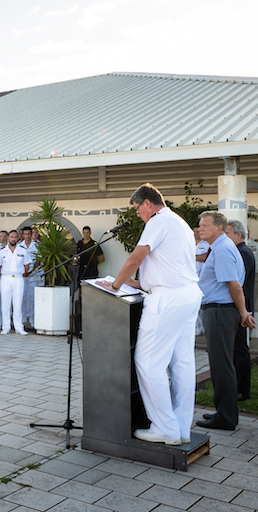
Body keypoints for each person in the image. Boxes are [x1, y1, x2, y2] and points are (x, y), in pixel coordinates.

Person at [99, 184, 204, 445]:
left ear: (147, 203)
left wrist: (114, 285)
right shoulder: (179, 221)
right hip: (188, 294)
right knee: (182, 364)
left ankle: (164, 429)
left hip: (167, 299)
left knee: (148, 362)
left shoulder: (157, 221)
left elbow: (136, 258)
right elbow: (169, 263)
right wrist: (139, 283)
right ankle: (180, 428)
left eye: (136, 209)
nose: (137, 214)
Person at [194, 211, 255, 431]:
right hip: (219, 310)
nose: (200, 228)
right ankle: (224, 412)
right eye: (199, 225)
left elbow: (235, 286)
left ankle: (226, 418)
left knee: (222, 366)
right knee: (222, 365)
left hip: (220, 311)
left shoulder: (221, 249)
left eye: (204, 225)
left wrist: (244, 313)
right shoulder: (221, 247)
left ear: (219, 228)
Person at [226, 219, 254, 401]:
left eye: (227, 233)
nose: (225, 236)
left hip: (240, 306)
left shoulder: (242, 252)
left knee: (240, 349)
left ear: (238, 234)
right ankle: (239, 386)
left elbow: (237, 284)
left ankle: (242, 389)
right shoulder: (242, 251)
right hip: (240, 305)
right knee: (237, 348)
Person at [0, 229, 31, 335]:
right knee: (5, 303)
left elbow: (27, 265)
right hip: (6, 278)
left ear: (18, 238)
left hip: (18, 278)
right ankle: (6, 326)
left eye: (15, 237)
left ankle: (18, 327)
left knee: (18, 303)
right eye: (11, 237)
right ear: (8, 238)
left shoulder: (23, 250)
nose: (13, 239)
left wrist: (20, 273)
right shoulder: (2, 252)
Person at [19, 226, 41, 328]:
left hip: (33, 274)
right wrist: (24, 272)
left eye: (29, 234)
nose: (27, 236)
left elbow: (38, 260)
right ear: (22, 235)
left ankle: (32, 320)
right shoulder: (19, 246)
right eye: (25, 234)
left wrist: (31, 271)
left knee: (32, 298)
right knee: (22, 297)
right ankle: (23, 320)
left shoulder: (37, 246)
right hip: (22, 275)